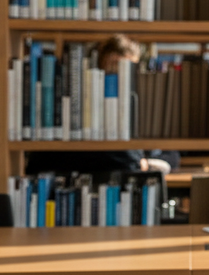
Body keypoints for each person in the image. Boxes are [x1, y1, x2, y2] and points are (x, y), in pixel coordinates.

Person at [25, 35, 179, 176]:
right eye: (111, 71)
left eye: (127, 71)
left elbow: (172, 155)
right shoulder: (74, 104)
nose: (117, 79)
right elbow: (41, 161)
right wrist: (138, 162)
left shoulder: (138, 105)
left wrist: (144, 162)